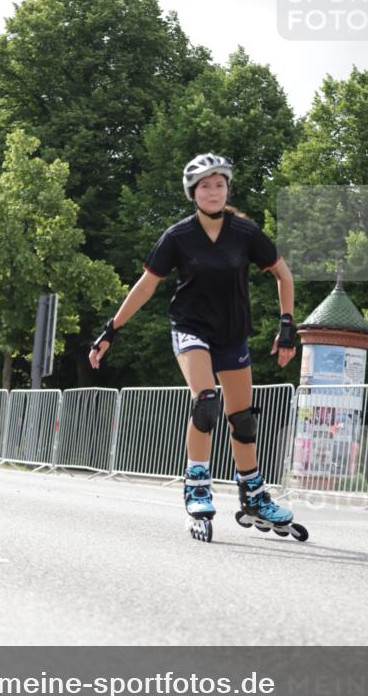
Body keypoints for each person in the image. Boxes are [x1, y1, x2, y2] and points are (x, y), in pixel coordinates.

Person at [89, 152, 297, 530]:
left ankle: (253, 495)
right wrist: (111, 329)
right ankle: (197, 485)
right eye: (205, 186)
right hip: (191, 328)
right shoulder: (178, 236)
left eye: (220, 185)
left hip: (232, 333)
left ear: (227, 189)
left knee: (243, 420)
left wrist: (287, 326)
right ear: (193, 192)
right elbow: (146, 285)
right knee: (206, 403)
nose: (214, 192)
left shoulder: (245, 232)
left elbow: (284, 275)